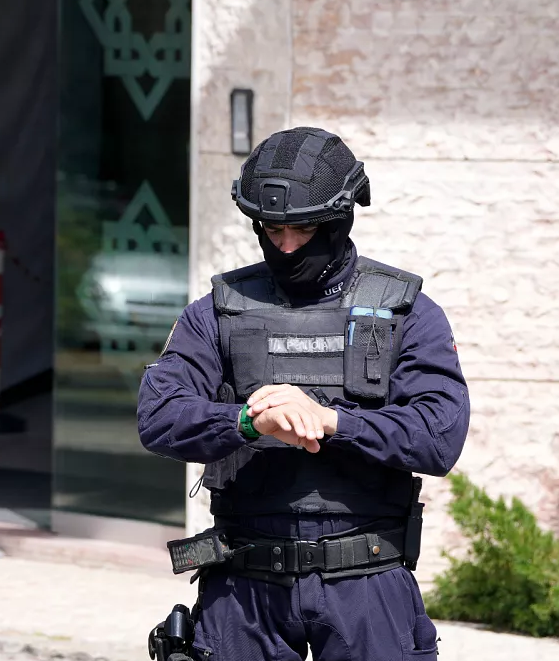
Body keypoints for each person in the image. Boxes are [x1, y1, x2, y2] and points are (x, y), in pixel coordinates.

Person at [138, 127, 468, 660]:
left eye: (305, 228)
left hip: (365, 583)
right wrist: (248, 422)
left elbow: (438, 437)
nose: (286, 245)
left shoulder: (408, 312)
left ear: (342, 219)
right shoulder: (219, 311)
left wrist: (332, 422)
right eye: (271, 229)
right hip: (244, 587)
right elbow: (158, 416)